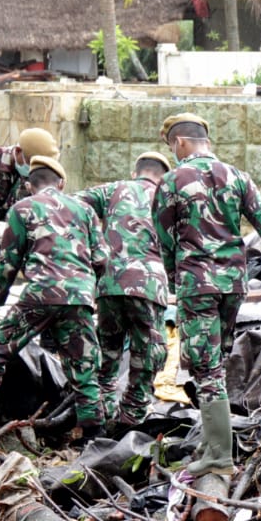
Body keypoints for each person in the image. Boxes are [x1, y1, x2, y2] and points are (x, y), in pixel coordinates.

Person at [154, 113, 261, 475]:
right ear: (207, 141)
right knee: (216, 359)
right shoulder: (239, 177)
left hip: (196, 285)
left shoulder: (171, 181)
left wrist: (174, 280)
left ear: (180, 143)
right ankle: (211, 441)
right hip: (234, 284)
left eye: (172, 145)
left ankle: (218, 457)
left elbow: (165, 242)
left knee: (206, 367)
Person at [0, 156, 107, 445]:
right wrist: (88, 289)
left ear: (28, 185)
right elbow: (101, 259)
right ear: (62, 183)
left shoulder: (22, 208)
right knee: (84, 367)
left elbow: (9, 263)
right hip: (78, 297)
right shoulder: (85, 210)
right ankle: (94, 439)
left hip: (39, 294)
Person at [74, 151, 173, 428]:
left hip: (109, 284)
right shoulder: (168, 197)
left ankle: (99, 419)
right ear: (163, 177)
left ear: (135, 172)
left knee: (107, 352)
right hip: (149, 286)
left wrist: (94, 243)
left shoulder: (113, 189)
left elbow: (71, 205)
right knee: (148, 354)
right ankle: (131, 420)